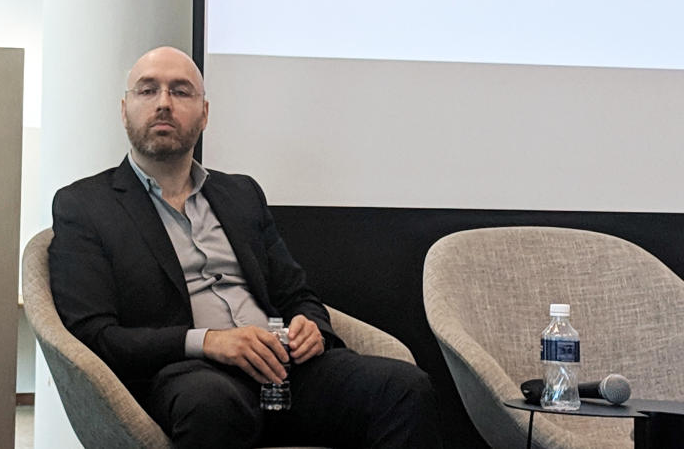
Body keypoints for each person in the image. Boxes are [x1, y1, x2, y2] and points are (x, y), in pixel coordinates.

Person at [48, 46, 442, 449]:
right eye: (148, 91)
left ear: (204, 114)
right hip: (187, 375)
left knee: (405, 387)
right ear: (124, 109)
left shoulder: (241, 193)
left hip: (282, 369)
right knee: (211, 404)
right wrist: (209, 341)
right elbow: (93, 335)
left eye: (181, 92)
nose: (164, 103)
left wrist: (313, 328)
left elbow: (296, 294)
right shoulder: (84, 205)